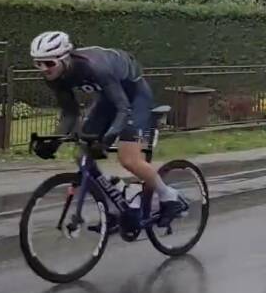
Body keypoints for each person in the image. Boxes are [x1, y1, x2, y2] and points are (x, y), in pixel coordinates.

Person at [29, 31, 188, 225]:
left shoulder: (95, 67)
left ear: (64, 58)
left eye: (49, 63)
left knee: (128, 158)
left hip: (135, 99)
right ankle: (117, 202)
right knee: (82, 155)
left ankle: (168, 196)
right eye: (38, 63)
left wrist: (106, 139)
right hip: (108, 99)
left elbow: (124, 108)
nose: (44, 69)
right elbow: (70, 113)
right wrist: (52, 141)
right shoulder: (54, 77)